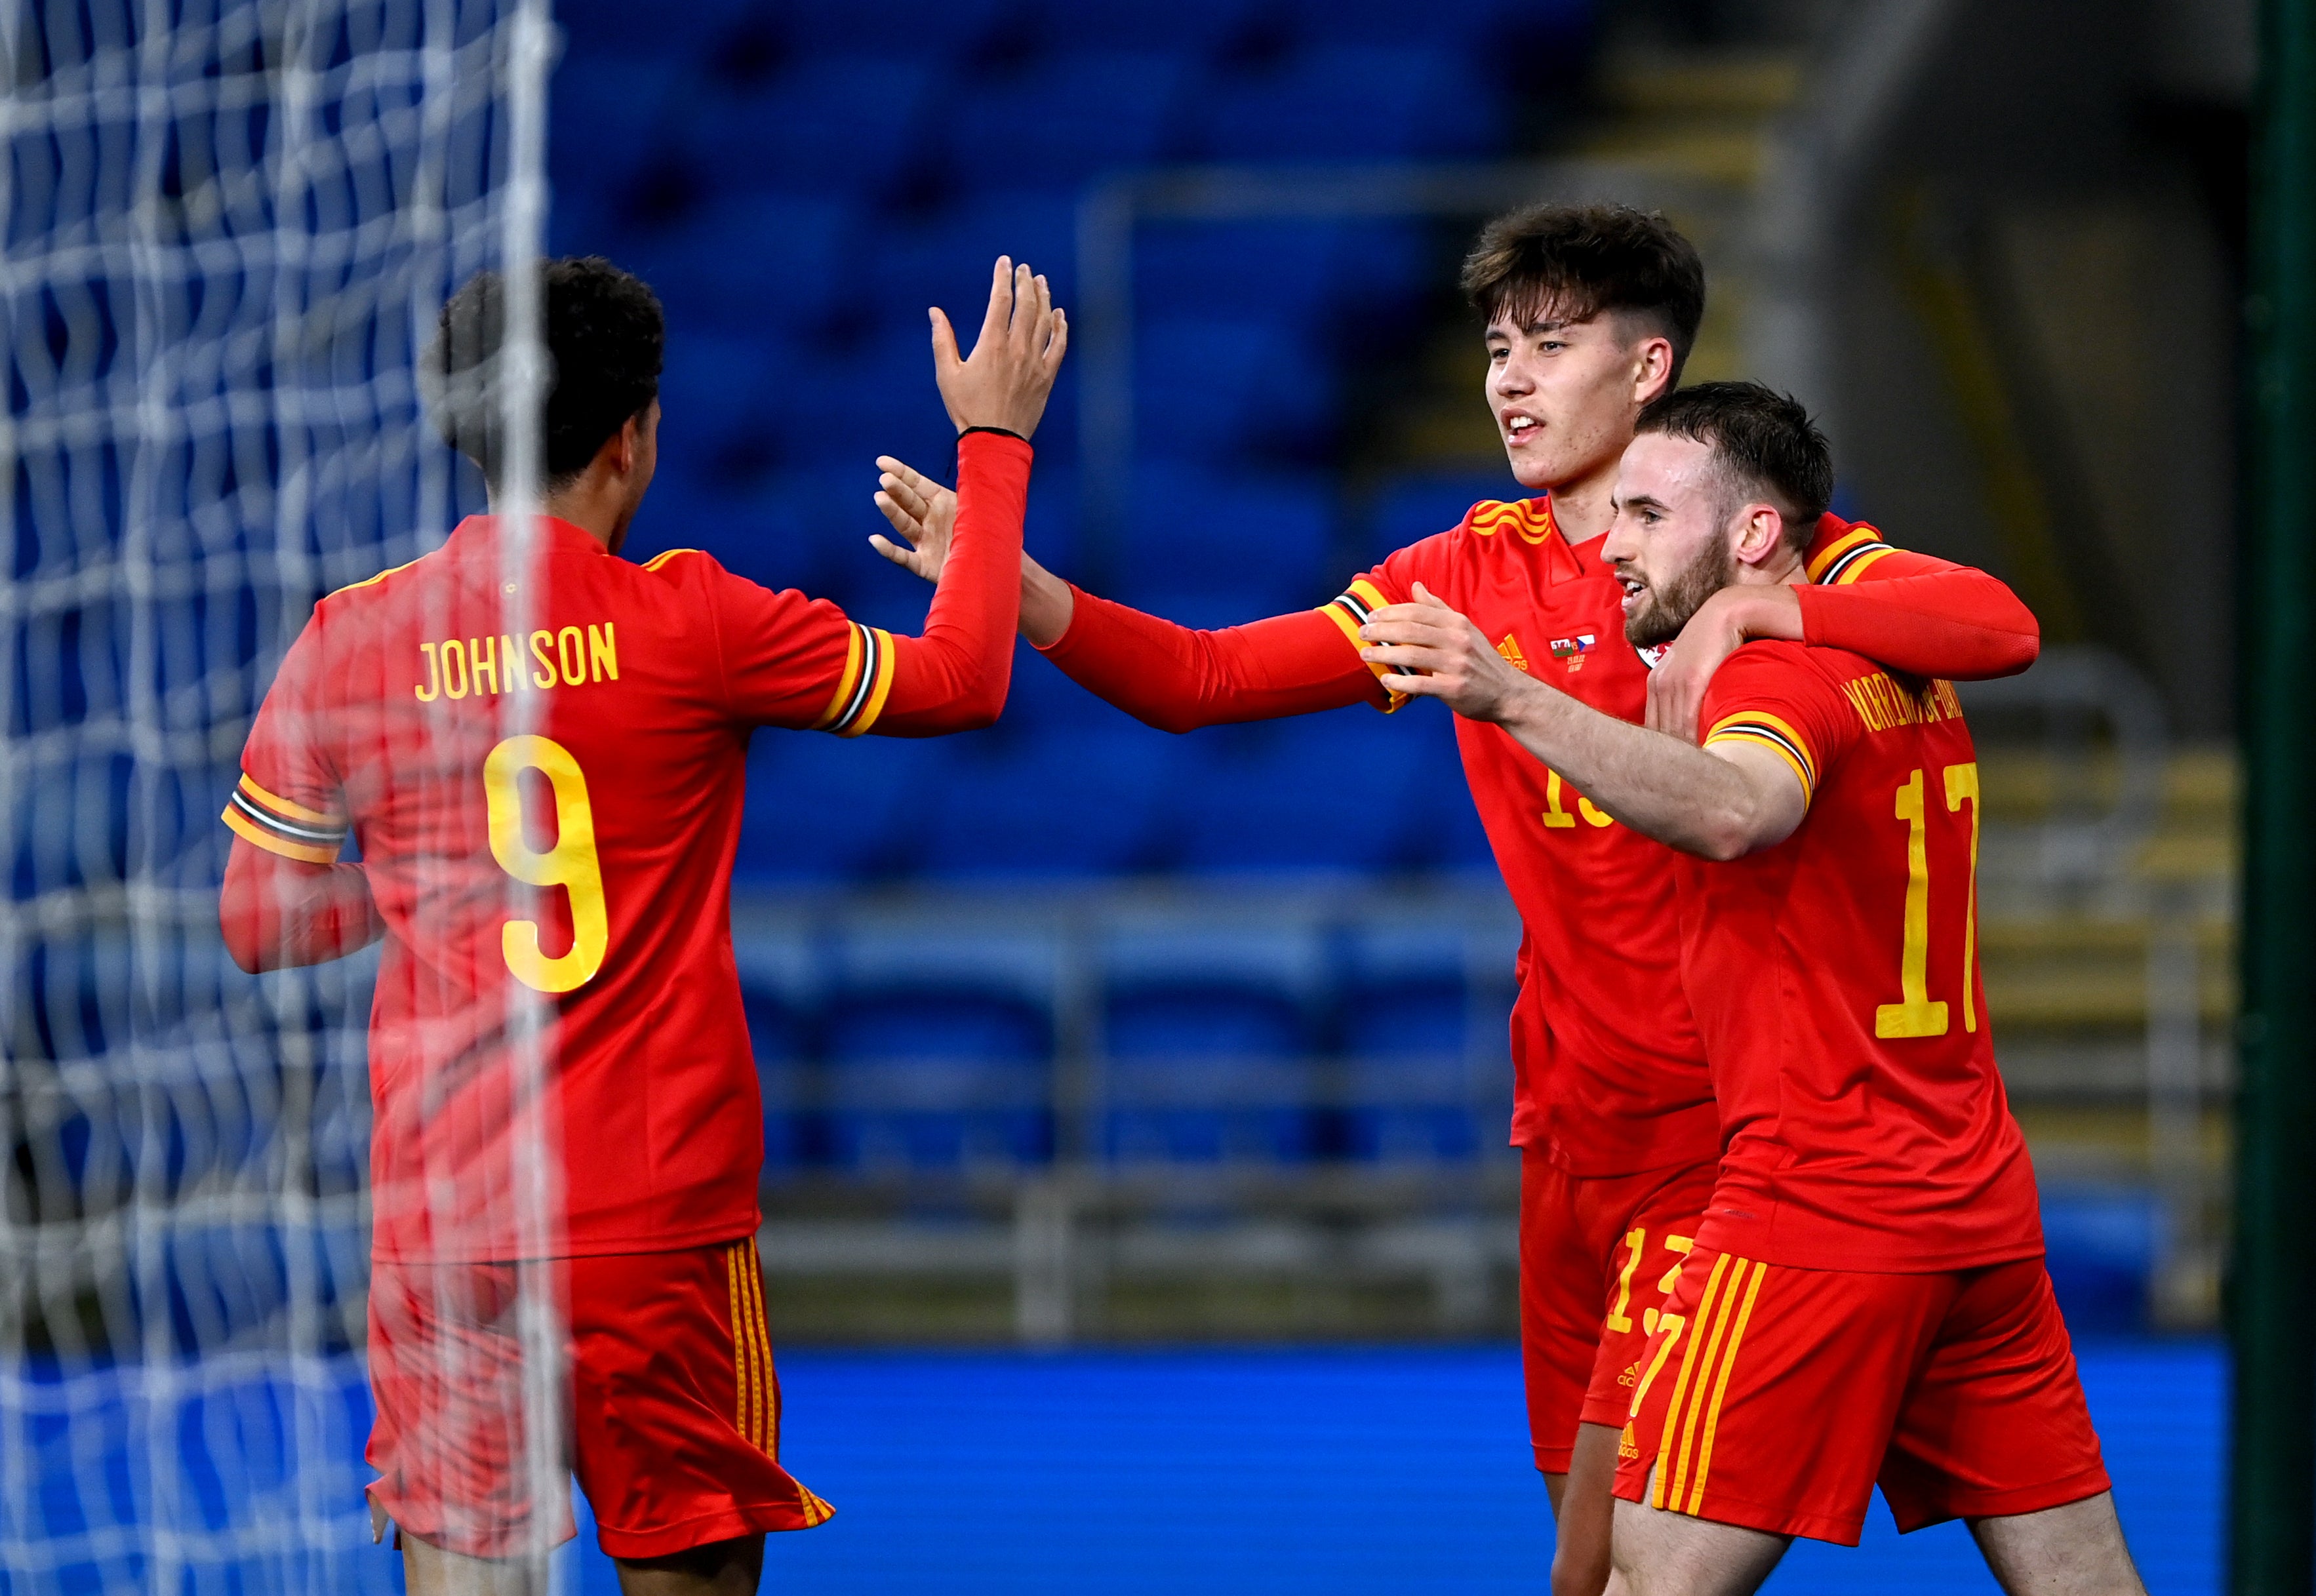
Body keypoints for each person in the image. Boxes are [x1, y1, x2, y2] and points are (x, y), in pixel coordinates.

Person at [866, 205, 2039, 1596]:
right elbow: (1202, 680)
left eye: (1548, 345)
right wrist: (1013, 579)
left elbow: (1994, 625)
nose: (1507, 380)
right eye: (1495, 347)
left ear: (1648, 367)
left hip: (1723, 1141)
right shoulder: (1461, 570)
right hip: (1569, 1131)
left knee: (1628, 1573)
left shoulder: (1754, 552)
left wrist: (1757, 612)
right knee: (1582, 1565)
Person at [218, 255, 1067, 1595]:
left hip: (447, 1215)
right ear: (632, 437)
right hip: (653, 1218)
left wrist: (428, 887)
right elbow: (963, 680)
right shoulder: (690, 618)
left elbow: (259, 922)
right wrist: (997, 446)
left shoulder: (351, 637)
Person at [1357, 382, 2141, 1596]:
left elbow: (1738, 809)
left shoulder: (1774, 678)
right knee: (2085, 1583)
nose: (1611, 543)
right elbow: (1997, 627)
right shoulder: (1896, 649)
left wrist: (1510, 693)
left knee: (1643, 1581)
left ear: (1755, 537)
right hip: (1974, 1196)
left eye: (1646, 515)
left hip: (1820, 1205)